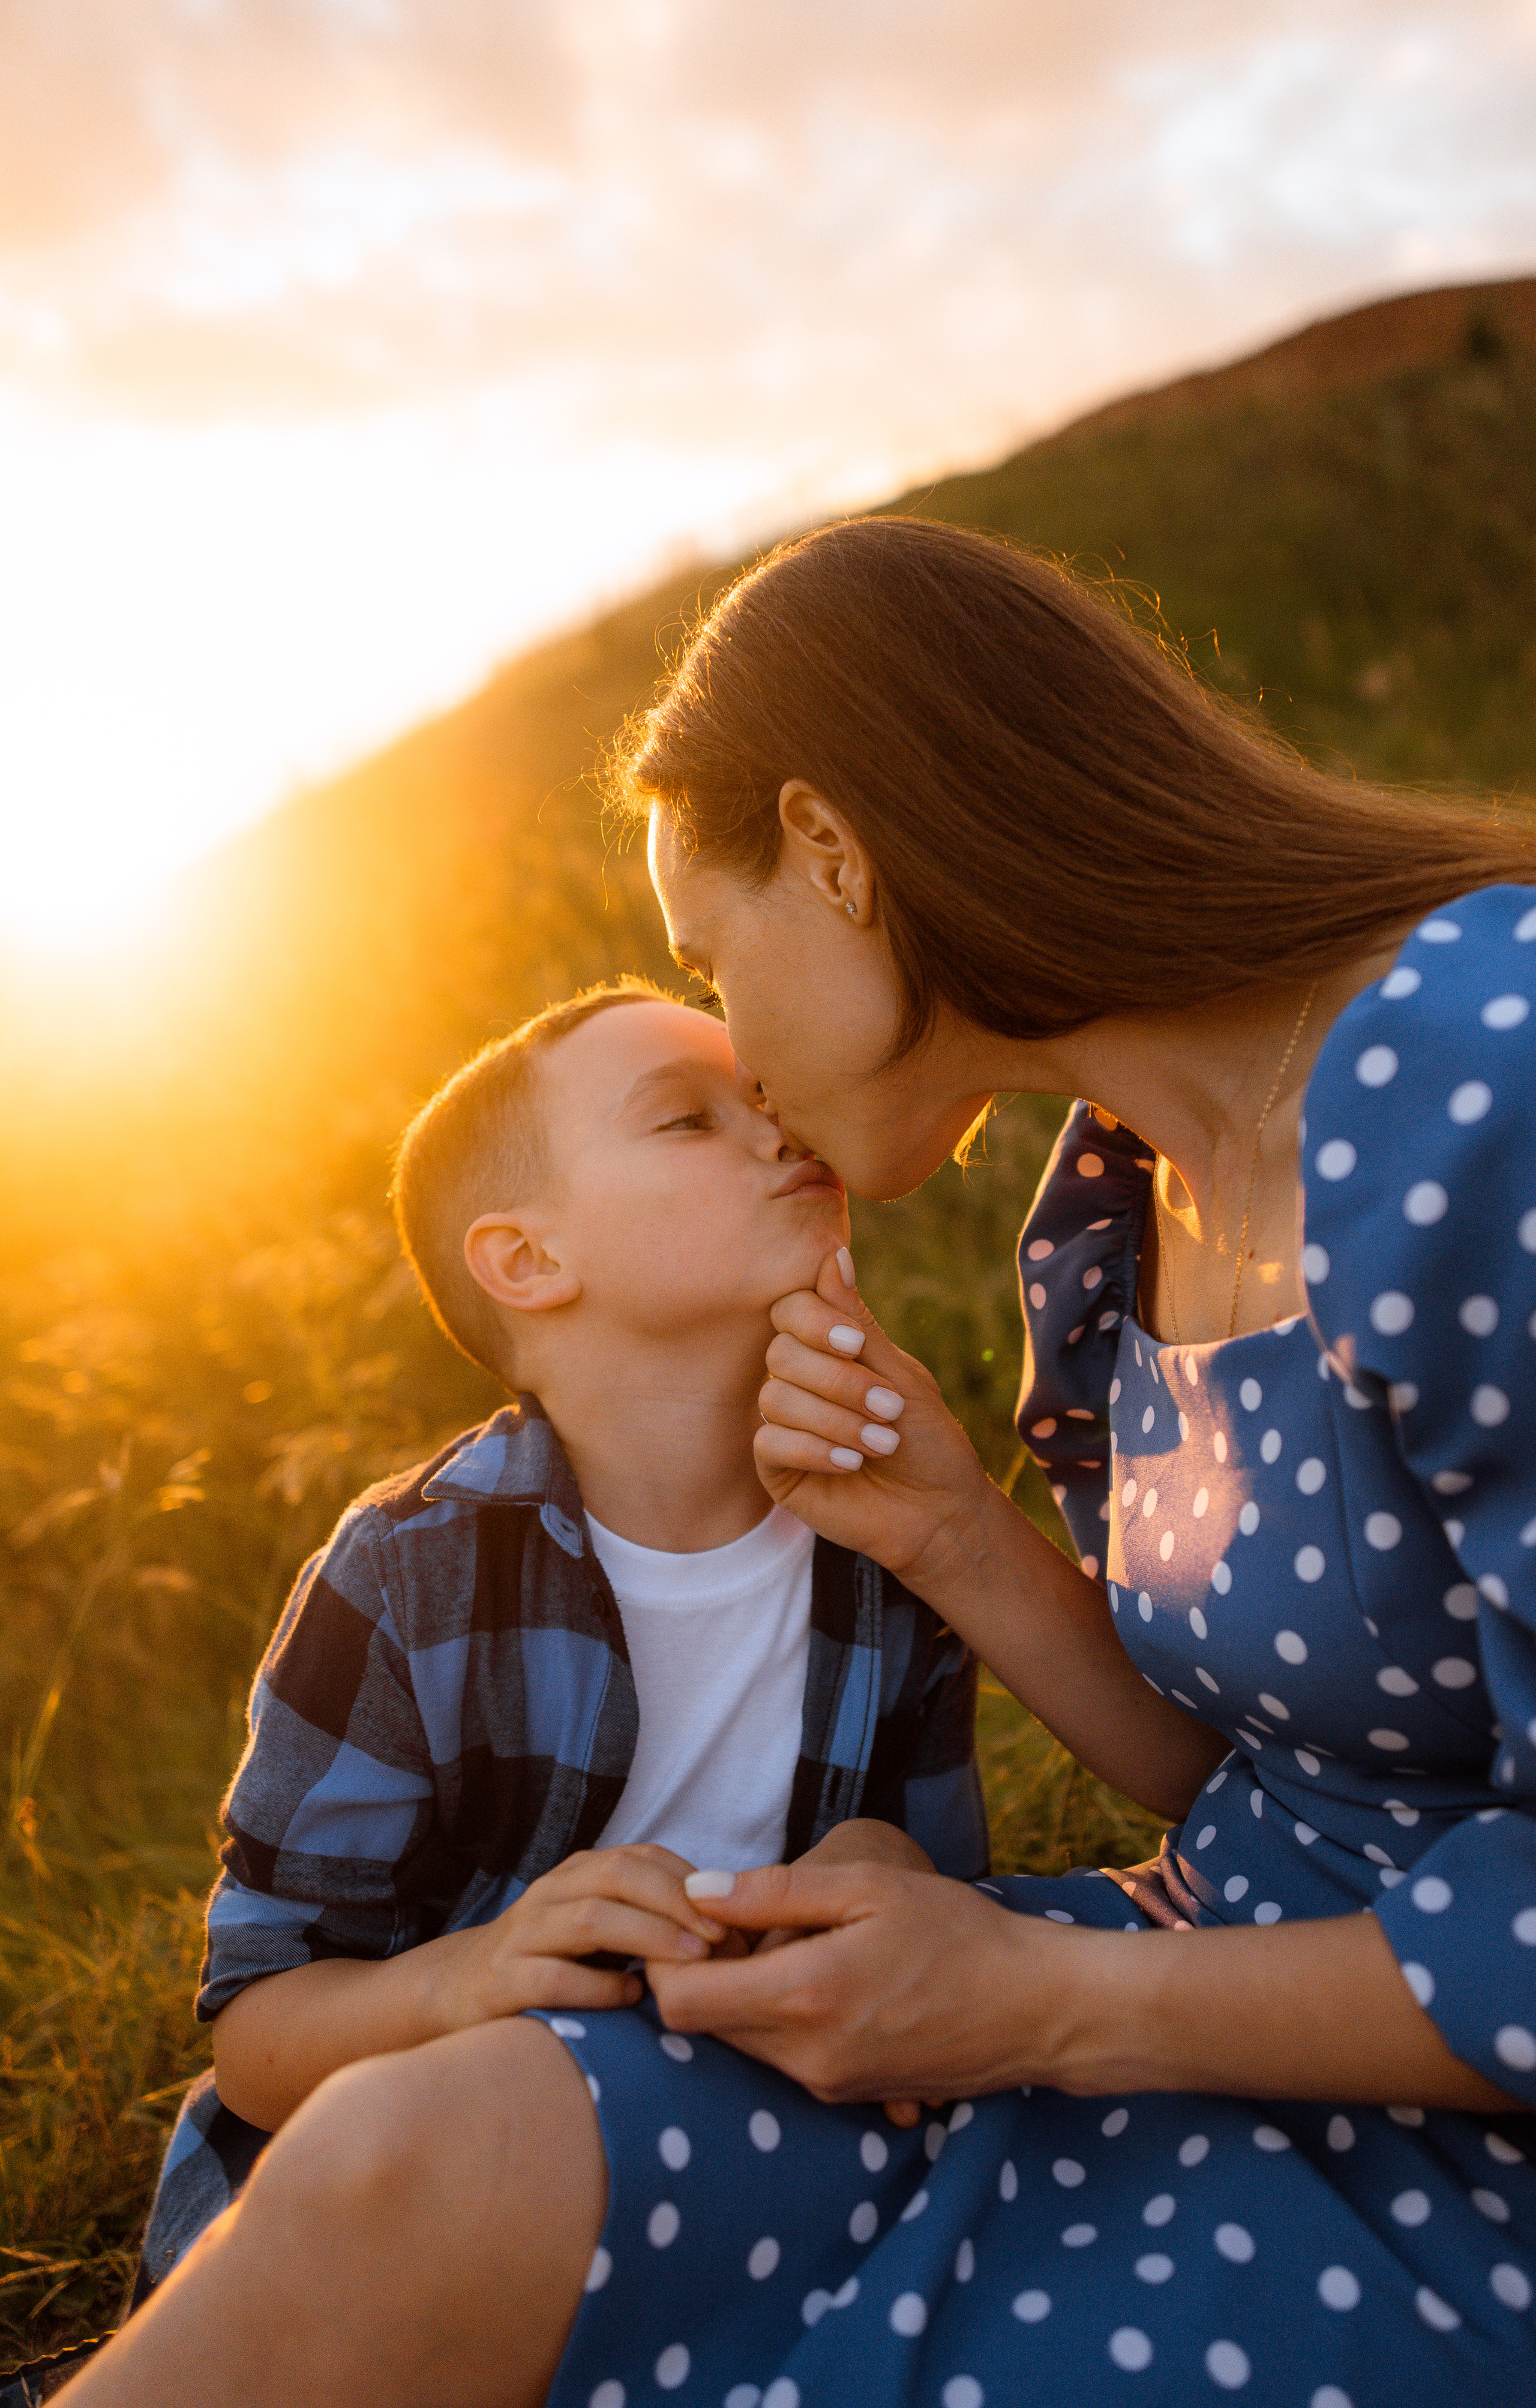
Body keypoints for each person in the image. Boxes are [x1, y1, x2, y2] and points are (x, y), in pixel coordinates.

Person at [58, 518, 1535, 2408]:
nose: (744, 1055)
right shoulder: (1111, 1197)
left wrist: (1053, 2000)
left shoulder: (1483, 1074)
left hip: (1435, 2129)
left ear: (835, 855)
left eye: (707, 954)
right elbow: (1294, 1780)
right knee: (407, 2162)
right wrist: (956, 1533)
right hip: (1214, 1979)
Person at [124, 974, 986, 2306]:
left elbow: (944, 1903)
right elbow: (258, 2032)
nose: (779, 1130)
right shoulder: (408, 1577)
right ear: (526, 1261)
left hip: (752, 2154)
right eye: (687, 1121)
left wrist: (883, 1862)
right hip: (429, 2188)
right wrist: (474, 1971)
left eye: (762, 1097)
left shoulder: (885, 1532)